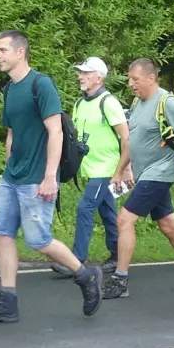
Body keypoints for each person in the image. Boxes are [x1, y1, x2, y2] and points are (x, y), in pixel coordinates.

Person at [0, 31, 103, 324]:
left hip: (36, 177)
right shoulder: (11, 89)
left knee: (38, 240)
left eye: (2, 50)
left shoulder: (41, 85)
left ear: (20, 52)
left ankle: (85, 275)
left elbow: (54, 130)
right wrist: (8, 165)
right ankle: (7, 301)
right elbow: (12, 132)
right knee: (3, 233)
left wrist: (49, 177)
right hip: (12, 176)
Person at [107, 59, 174, 297]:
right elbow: (132, 141)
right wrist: (120, 170)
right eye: (130, 79)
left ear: (151, 78)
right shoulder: (137, 102)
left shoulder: (167, 103)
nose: (131, 84)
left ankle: (120, 280)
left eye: (135, 79)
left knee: (124, 220)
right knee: (167, 225)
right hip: (144, 173)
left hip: (160, 173)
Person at [67, 57, 129, 273]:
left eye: (86, 73)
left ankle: (76, 260)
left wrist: (124, 169)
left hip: (107, 169)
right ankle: (117, 254)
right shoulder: (79, 103)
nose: (81, 76)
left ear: (99, 77)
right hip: (90, 168)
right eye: (80, 72)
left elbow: (125, 137)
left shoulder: (109, 102)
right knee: (107, 212)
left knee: (85, 207)